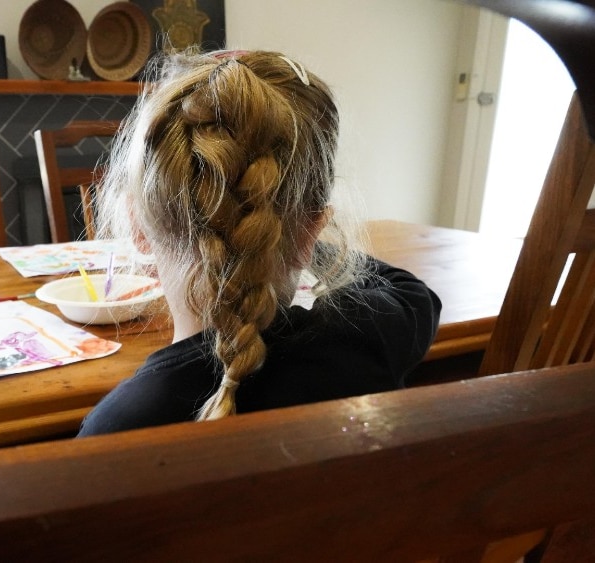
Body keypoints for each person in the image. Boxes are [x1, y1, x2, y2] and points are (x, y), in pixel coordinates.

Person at [77, 49, 441, 436]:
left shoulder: (118, 425)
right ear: (312, 230)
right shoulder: (370, 338)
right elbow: (413, 294)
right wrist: (286, 238)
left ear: (137, 225)